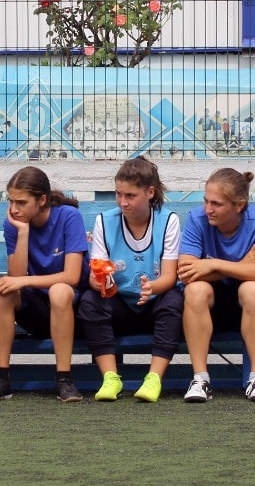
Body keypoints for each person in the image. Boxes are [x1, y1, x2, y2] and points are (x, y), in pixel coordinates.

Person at [76, 158, 184, 403]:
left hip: (153, 304)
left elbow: (169, 276)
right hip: (120, 306)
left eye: (130, 196)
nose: (123, 202)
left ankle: (153, 379)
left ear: (150, 192)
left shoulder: (168, 220)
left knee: (174, 300)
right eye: (118, 194)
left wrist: (152, 287)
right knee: (90, 301)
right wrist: (98, 282)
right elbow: (97, 273)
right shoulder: (104, 221)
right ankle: (110, 378)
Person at [0, 167, 88, 403]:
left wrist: (25, 280)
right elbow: (15, 277)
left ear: (42, 200)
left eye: (21, 202)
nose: (13, 209)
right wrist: (23, 233)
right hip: (37, 310)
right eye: (11, 201)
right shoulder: (13, 224)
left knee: (59, 290)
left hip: (71, 309)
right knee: (3, 292)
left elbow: (71, 276)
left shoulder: (69, 216)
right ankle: (1, 378)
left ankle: (64, 379)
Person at [178, 168, 255, 403]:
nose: (208, 209)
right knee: (195, 289)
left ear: (239, 206)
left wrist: (213, 264)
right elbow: (186, 274)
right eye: (206, 201)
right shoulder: (196, 219)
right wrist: (242, 265)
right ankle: (200, 380)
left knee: (253, 288)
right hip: (209, 304)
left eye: (217, 204)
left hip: (248, 304)